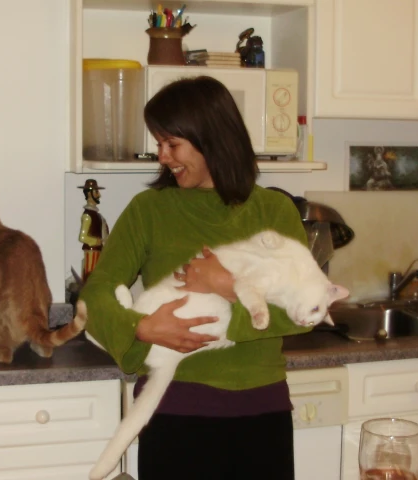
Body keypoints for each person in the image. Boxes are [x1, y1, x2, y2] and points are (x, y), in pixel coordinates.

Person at [80, 75, 311, 480]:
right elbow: (96, 293)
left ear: (211, 138)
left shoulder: (274, 210)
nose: (163, 157)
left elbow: (303, 309)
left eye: (172, 144)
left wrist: (225, 287)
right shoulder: (148, 210)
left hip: (262, 412)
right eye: (159, 144)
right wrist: (142, 327)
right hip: (174, 412)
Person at [78, 178, 109, 282]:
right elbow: (82, 237)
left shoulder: (96, 215)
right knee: (90, 275)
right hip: (92, 251)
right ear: (90, 194)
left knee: (96, 275)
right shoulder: (87, 215)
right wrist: (97, 241)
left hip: (97, 250)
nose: (99, 195)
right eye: (96, 192)